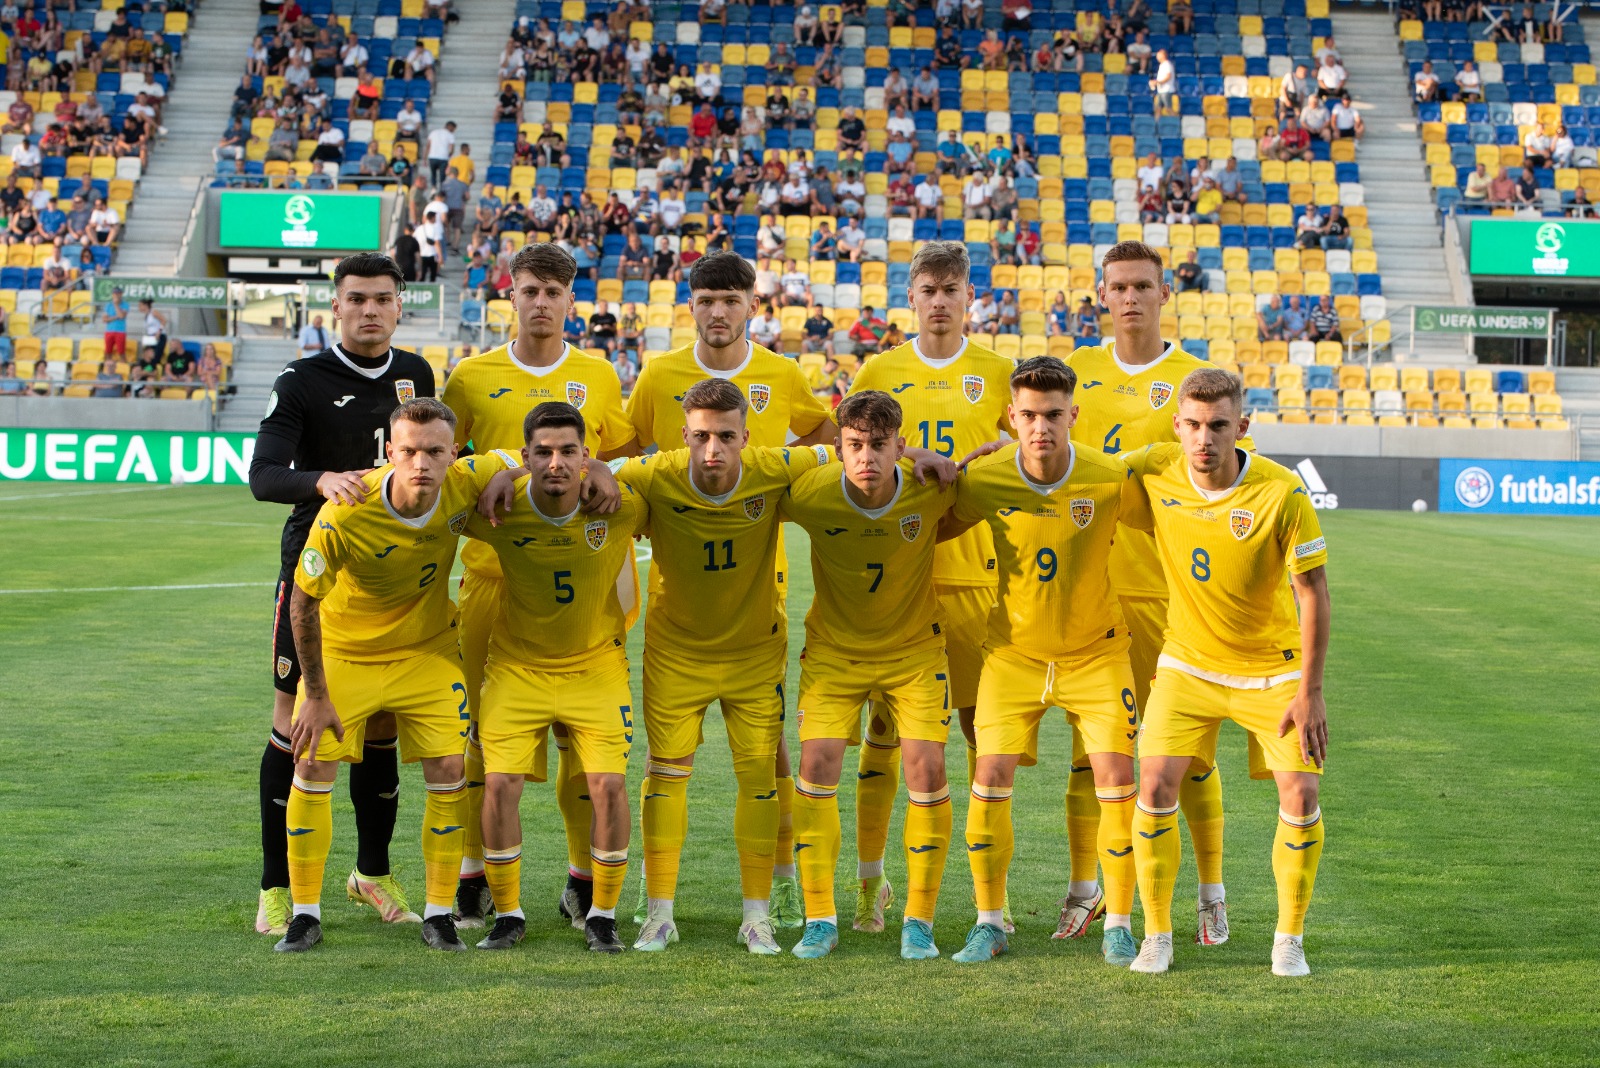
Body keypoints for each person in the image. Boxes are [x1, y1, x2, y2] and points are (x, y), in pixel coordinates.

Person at [621, 252, 836, 931]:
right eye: (707, 299)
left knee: (767, 753)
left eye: (731, 300)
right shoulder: (659, 375)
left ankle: (779, 880)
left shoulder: (780, 372)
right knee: (674, 756)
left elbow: (827, 437)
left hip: (759, 586)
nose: (719, 312)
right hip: (683, 577)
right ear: (691, 304)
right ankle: (660, 896)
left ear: (752, 305)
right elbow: (626, 447)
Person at [439, 242, 640, 929]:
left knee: (582, 743)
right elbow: (447, 462)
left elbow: (614, 459)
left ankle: (584, 877)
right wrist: (497, 464)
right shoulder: (470, 375)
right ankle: (473, 872)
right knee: (479, 739)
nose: (542, 303)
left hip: (583, 582)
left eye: (555, 292)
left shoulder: (598, 373)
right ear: (512, 296)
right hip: (494, 578)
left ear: (571, 301)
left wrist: (609, 469)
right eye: (531, 290)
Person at [272, 399, 513, 953]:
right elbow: (303, 606)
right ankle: (304, 915)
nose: (421, 463)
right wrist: (315, 695)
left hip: (425, 653)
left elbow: (523, 455)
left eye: (434, 451)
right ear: (388, 452)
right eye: (408, 451)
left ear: (456, 454)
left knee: (451, 766)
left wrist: (510, 473)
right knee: (311, 764)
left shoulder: (463, 482)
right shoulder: (348, 510)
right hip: (346, 654)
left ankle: (438, 913)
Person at [247, 254, 437, 940]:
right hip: (316, 574)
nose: (370, 311)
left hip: (393, 585)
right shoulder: (301, 381)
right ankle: (275, 887)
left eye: (382, 299)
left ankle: (372, 872)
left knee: (381, 723)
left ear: (399, 305)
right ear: (336, 307)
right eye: (356, 299)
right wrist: (322, 478)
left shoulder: (417, 373)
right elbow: (264, 475)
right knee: (295, 727)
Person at [1123, 367, 1331, 977]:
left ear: (1242, 427)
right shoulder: (1155, 468)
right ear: (1177, 426)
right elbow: (1078, 472)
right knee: (1154, 788)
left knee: (1301, 793)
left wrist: (1311, 692)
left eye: (1218, 426)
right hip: (1186, 664)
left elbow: (1312, 591)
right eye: (1192, 425)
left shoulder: (1282, 491)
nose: (1203, 439)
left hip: (1273, 671)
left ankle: (1288, 938)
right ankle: (1156, 934)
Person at [935, 356, 1139, 966]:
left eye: (1053, 415)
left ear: (1074, 414)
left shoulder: (1110, 478)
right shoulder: (988, 477)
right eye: (1028, 416)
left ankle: (1119, 923)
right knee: (988, 779)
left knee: (1117, 784)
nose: (1040, 427)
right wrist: (936, 470)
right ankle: (989, 922)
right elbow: (927, 524)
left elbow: (1175, 524)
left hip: (1098, 656)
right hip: (1013, 655)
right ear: (1011, 417)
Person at [844, 241, 1017, 932]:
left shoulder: (998, 372)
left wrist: (982, 460)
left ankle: (990, 906)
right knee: (884, 741)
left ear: (968, 296)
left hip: (976, 579)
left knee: (984, 741)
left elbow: (1029, 449)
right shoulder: (881, 370)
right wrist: (918, 456)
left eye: (951, 288)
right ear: (910, 298)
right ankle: (869, 887)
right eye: (927, 289)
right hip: (897, 582)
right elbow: (851, 447)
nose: (939, 299)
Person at [780, 391, 960, 960]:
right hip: (835, 653)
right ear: (838, 448)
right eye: (855, 446)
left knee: (926, 766)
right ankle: (819, 918)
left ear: (899, 446)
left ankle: (919, 921)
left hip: (914, 653)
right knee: (817, 760)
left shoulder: (931, 489)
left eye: (879, 446)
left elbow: (995, 471)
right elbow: (748, 475)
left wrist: (973, 454)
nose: (866, 458)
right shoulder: (810, 493)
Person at [462, 402, 640, 955]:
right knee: (498, 784)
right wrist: (501, 476)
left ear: (587, 455)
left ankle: (603, 915)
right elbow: (429, 487)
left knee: (607, 785)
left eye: (569, 451)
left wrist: (607, 472)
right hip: (518, 669)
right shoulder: (498, 509)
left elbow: (671, 475)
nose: (556, 462)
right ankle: (509, 914)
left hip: (596, 668)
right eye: (543, 452)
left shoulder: (620, 505)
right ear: (526, 457)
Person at [102, 285, 129, 359]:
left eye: (118, 293)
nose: (116, 295)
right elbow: (104, 320)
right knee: (108, 352)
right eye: (114, 293)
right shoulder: (108, 305)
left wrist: (116, 305)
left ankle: (124, 369)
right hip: (109, 331)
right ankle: (108, 368)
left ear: (121, 294)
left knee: (121, 352)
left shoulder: (125, 304)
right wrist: (116, 317)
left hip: (120, 331)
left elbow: (121, 316)